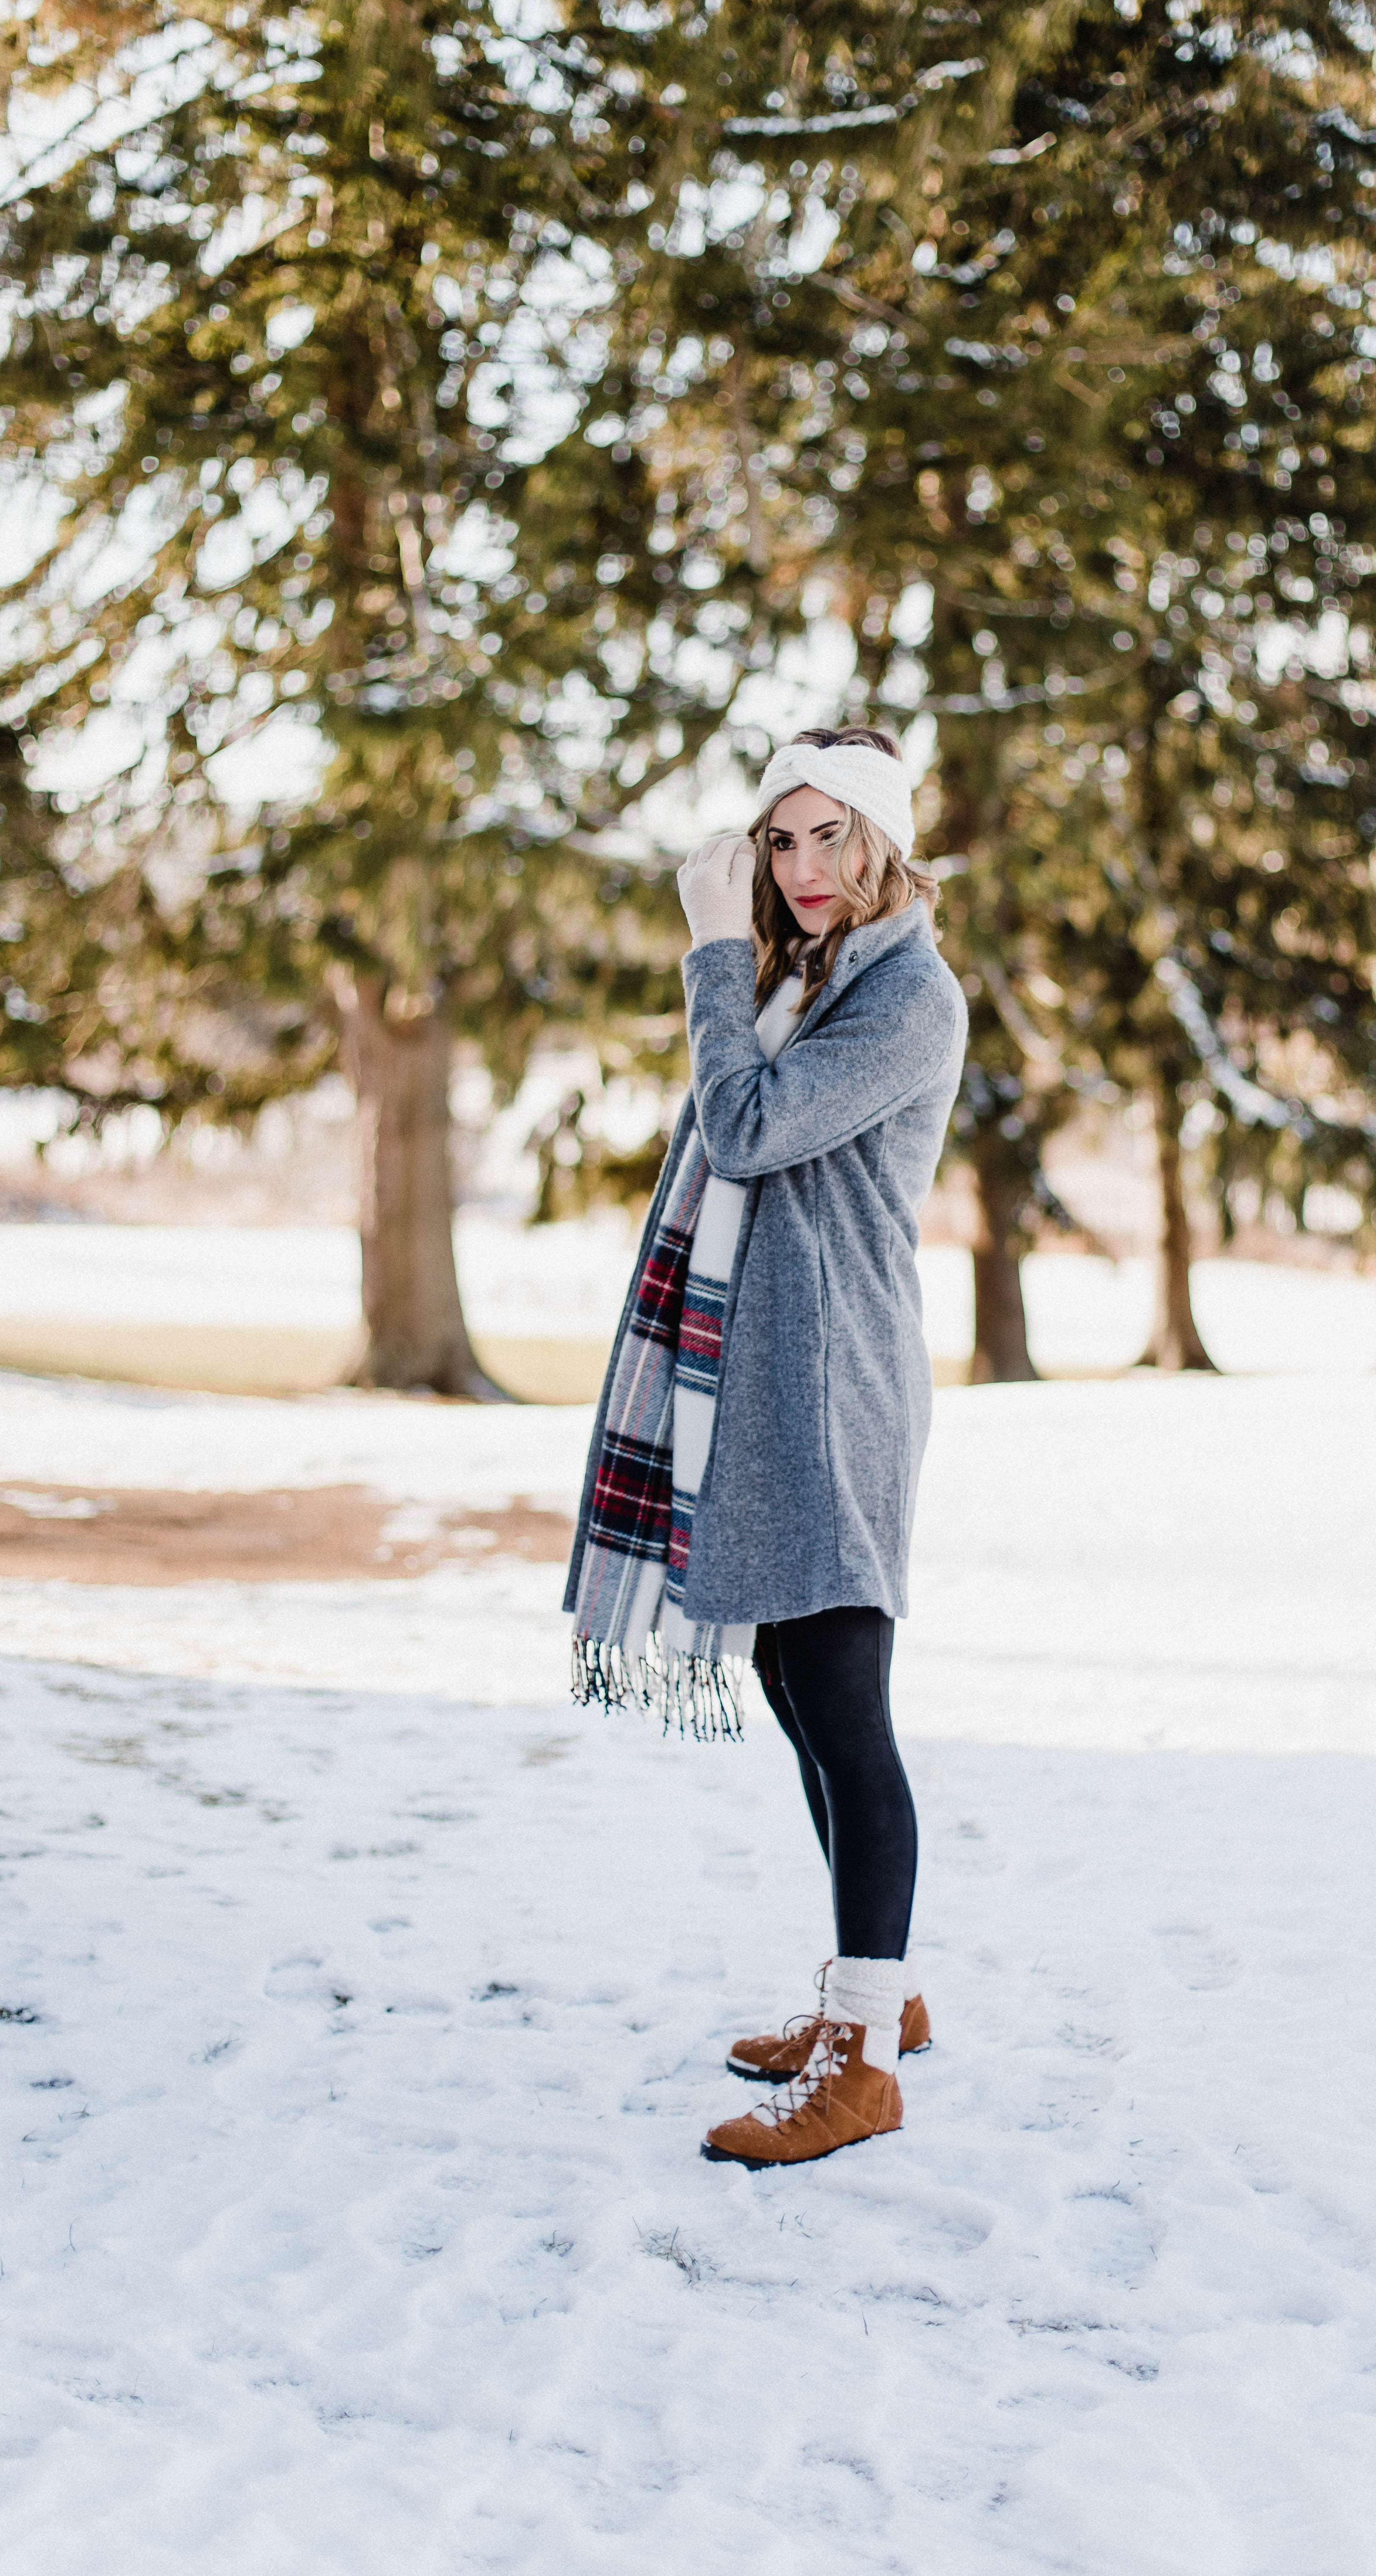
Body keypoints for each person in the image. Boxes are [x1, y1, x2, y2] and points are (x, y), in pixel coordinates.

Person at [563, 725, 967, 2166]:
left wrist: (709, 959)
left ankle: (863, 2066)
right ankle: (878, 1997)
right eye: (778, 842)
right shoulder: (814, 982)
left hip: (831, 1381)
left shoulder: (907, 997)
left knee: (846, 1711)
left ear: (885, 845)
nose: (802, 870)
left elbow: (743, 1127)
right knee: (800, 1692)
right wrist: (745, 970)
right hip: (770, 1376)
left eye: (831, 838)